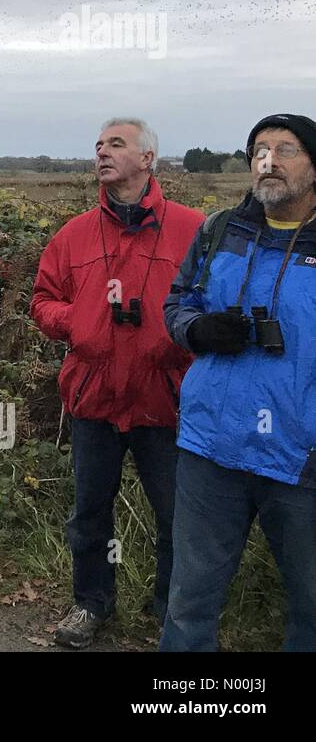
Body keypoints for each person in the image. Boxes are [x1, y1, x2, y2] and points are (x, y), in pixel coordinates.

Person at [30, 118, 204, 647]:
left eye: (116, 144)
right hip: (94, 396)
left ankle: (171, 614)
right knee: (89, 513)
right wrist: (79, 322)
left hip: (165, 399)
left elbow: (214, 305)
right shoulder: (74, 233)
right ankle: (91, 605)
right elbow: (42, 301)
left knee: (176, 516)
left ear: (147, 158)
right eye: (99, 145)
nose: (102, 152)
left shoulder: (194, 228)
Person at [161, 113, 316, 651]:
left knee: (312, 606)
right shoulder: (219, 230)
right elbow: (178, 302)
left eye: (286, 149)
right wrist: (197, 329)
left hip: (301, 459)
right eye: (259, 151)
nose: (268, 161)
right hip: (211, 447)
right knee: (189, 600)